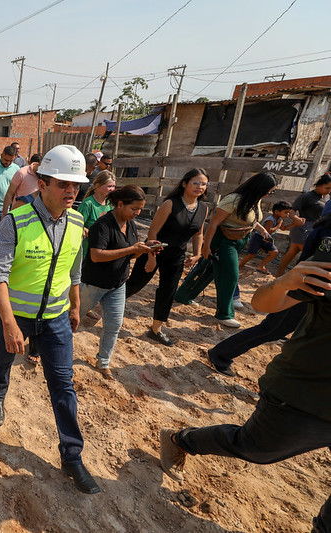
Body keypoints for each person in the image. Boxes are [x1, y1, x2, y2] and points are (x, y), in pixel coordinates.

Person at [159, 258, 331, 533]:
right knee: (255, 447)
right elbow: (263, 303)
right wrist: (285, 281)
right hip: (306, 393)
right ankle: (181, 439)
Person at [0, 144, 102, 495]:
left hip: (55, 319)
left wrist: (75, 304)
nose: (71, 192)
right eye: (64, 184)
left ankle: (71, 455)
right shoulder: (15, 221)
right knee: (4, 357)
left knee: (63, 385)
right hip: (16, 316)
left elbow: (74, 267)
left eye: (76, 186)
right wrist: (8, 324)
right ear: (42, 183)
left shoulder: (78, 221)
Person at [206, 201, 331, 376]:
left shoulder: (322, 230)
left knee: (277, 331)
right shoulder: (326, 234)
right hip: (305, 290)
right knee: (270, 329)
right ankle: (220, 353)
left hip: (311, 292)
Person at [175, 172, 277, 328]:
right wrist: (206, 247)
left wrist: (263, 231)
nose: (269, 194)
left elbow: (252, 219)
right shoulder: (233, 200)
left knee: (207, 270)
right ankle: (225, 314)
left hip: (238, 241)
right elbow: (214, 223)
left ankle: (183, 295)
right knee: (230, 277)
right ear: (259, 188)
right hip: (223, 241)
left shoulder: (254, 201)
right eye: (269, 191)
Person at [125, 169, 210, 346]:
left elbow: (199, 233)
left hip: (177, 256)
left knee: (168, 291)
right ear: (185, 184)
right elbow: (153, 232)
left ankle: (156, 329)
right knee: (135, 284)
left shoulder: (203, 208)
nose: (200, 187)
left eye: (203, 184)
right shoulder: (170, 204)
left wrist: (196, 254)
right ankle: (108, 302)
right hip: (156, 250)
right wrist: (151, 256)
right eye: (196, 182)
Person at [79, 185, 152, 379]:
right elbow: (96, 255)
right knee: (71, 318)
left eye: (140, 210)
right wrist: (130, 250)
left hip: (118, 284)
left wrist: (145, 249)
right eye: (134, 209)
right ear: (120, 204)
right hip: (93, 283)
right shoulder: (102, 226)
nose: (137, 213)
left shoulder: (130, 224)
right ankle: (46, 346)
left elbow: (131, 253)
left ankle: (103, 362)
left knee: (113, 325)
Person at [275, 174, 331, 276]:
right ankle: (295, 276)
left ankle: (280, 272)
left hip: (313, 229)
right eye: (327, 188)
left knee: (293, 251)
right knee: (307, 254)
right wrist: (296, 219)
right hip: (304, 228)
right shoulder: (307, 196)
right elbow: (292, 211)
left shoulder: (325, 197)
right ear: (318, 185)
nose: (329, 191)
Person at [239, 201, 297, 273]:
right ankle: (240, 266)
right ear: (276, 212)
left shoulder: (279, 219)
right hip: (258, 237)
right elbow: (268, 231)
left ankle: (261, 266)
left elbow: (283, 228)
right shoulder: (270, 220)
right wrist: (279, 225)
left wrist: (295, 224)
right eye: (286, 212)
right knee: (252, 254)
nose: (288, 215)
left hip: (267, 239)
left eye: (288, 213)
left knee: (274, 252)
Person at [76, 170, 116, 258]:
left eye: (113, 186)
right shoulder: (88, 204)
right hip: (87, 251)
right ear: (98, 185)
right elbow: (77, 225)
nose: (112, 189)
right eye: (109, 186)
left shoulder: (110, 204)